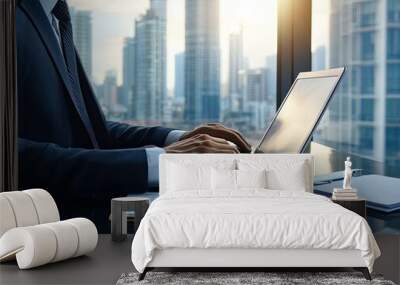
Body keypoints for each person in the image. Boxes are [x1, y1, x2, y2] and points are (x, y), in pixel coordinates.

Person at [17, 0, 251, 229]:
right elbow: (18, 158)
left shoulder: (53, 16)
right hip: (57, 230)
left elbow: (88, 129)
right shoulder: (12, 17)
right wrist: (162, 161)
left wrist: (176, 139)